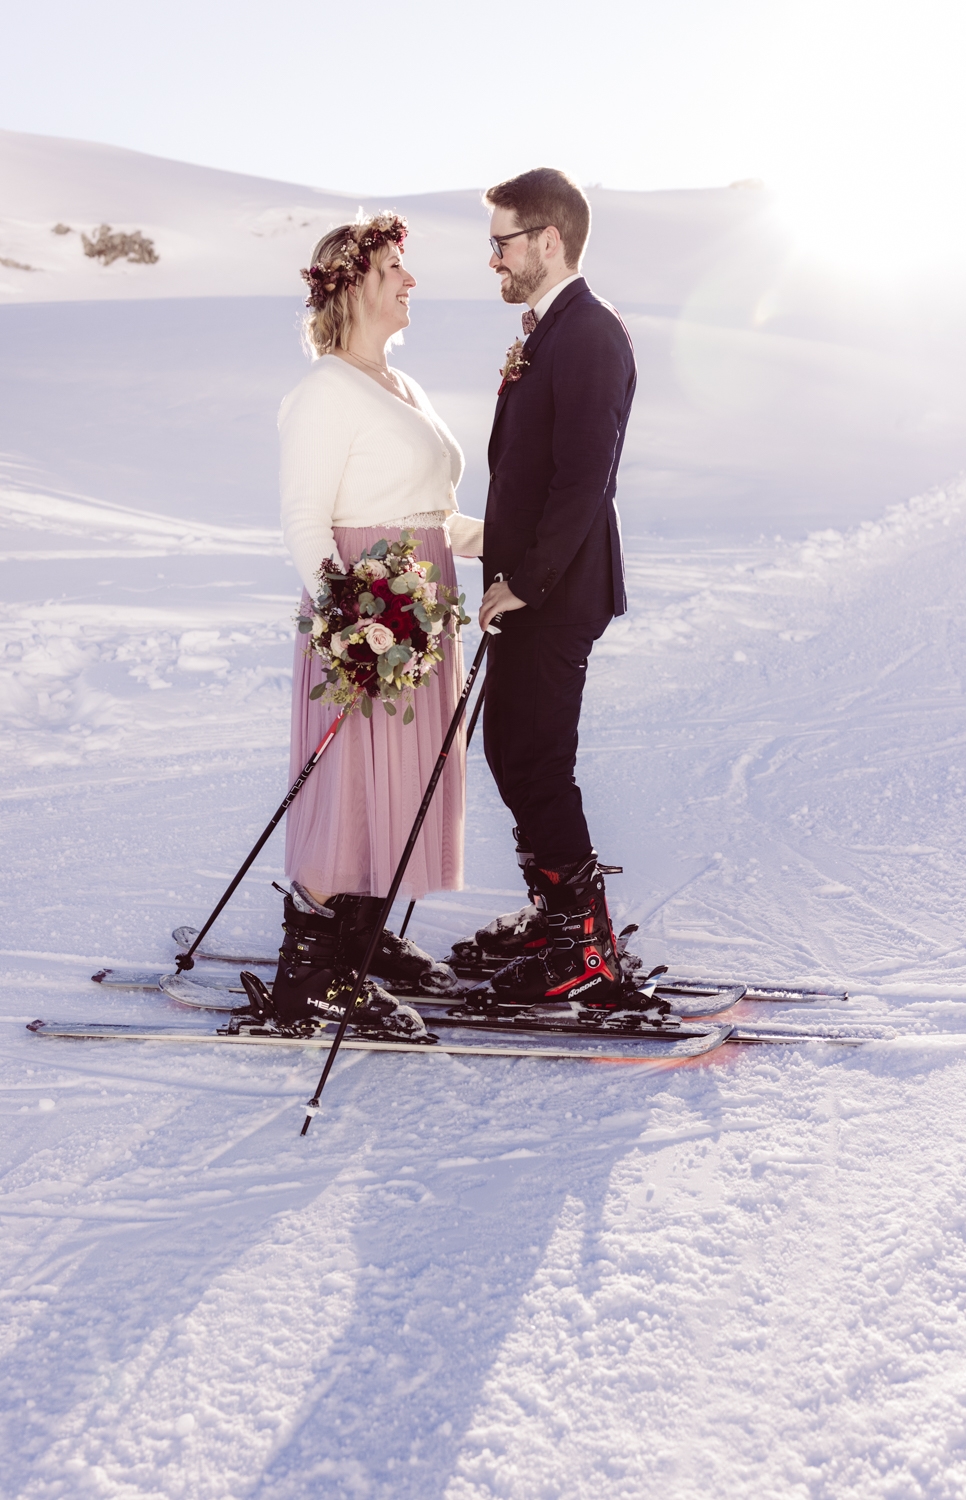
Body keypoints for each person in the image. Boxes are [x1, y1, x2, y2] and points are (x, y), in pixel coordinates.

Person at [246, 212, 484, 1035]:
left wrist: (513, 544)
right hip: (367, 620)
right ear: (348, 285)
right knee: (350, 780)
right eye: (393, 269)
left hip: (420, 613)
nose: (410, 280)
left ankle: (361, 937)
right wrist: (347, 623)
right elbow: (306, 522)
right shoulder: (323, 390)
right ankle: (311, 972)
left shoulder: (398, 385)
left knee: (402, 780)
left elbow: (432, 514)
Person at [468, 168, 637, 1009]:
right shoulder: (550, 331)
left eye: (502, 242)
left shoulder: (592, 333)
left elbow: (584, 481)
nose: (492, 258)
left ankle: (583, 944)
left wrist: (525, 583)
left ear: (548, 240)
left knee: (536, 759)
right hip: (528, 586)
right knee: (513, 751)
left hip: (557, 590)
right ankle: (556, 912)